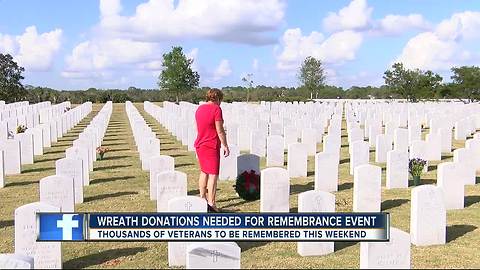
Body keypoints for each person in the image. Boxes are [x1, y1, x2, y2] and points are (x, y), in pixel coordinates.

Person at [194, 88, 230, 212]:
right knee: (213, 175)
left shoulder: (199, 109)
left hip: (200, 144)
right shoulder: (216, 109)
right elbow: (219, 130)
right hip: (211, 145)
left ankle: (202, 198)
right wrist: (225, 145)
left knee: (204, 172)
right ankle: (212, 203)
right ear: (218, 98)